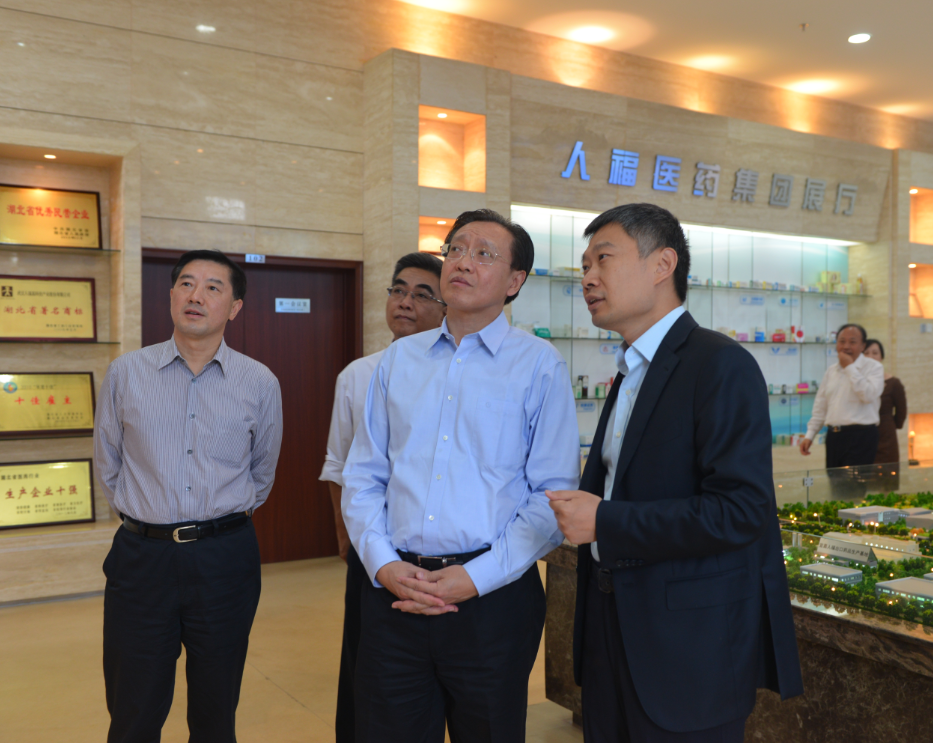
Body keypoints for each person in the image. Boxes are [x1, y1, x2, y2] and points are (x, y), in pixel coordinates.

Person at [545, 203, 802, 743]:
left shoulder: (719, 364)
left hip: (687, 651)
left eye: (603, 259)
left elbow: (741, 510)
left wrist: (606, 521)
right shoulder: (629, 370)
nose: (587, 277)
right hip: (610, 632)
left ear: (662, 265)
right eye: (584, 265)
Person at [342, 209, 580, 743]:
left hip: (493, 601)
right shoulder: (399, 360)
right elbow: (363, 476)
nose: (463, 262)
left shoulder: (539, 365)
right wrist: (383, 564)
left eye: (483, 254)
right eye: (456, 249)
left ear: (514, 281)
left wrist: (474, 578)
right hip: (395, 595)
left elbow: (551, 496)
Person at [94, 249, 284, 743]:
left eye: (213, 287)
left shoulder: (259, 382)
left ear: (234, 307)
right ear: (171, 295)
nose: (196, 295)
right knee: (133, 708)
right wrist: (149, 517)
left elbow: (262, 473)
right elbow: (108, 465)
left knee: (215, 709)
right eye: (186, 283)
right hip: (142, 559)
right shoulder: (126, 373)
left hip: (225, 559)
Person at [320, 252, 447, 743]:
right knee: (365, 668)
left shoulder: (458, 371)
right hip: (374, 548)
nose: (405, 302)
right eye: (398, 291)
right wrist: (347, 540)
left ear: (446, 305)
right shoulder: (358, 374)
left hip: (443, 552)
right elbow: (338, 465)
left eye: (421, 294)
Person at [800, 324, 885, 499]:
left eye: (852, 342)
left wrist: (850, 367)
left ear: (862, 346)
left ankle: (853, 517)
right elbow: (821, 406)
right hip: (835, 437)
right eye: (842, 341)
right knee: (836, 488)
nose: (846, 346)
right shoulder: (832, 371)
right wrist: (810, 435)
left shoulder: (874, 367)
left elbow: (868, 395)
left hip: (861, 437)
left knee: (852, 490)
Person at [863, 339, 907, 493]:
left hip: (886, 437)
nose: (871, 356)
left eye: (875, 353)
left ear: (881, 357)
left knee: (886, 481)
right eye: (866, 353)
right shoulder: (858, 382)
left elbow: (901, 413)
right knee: (865, 481)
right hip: (863, 436)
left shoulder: (893, 383)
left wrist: (890, 424)